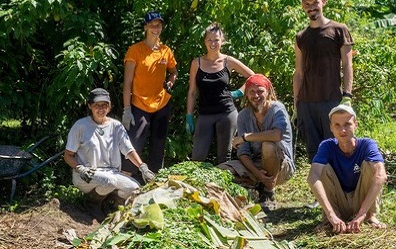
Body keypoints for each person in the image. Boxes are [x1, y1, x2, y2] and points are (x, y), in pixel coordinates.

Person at [293, 0, 354, 208]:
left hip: (332, 101)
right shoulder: (301, 37)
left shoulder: (339, 30)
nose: (311, 7)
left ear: (323, 2)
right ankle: (322, 197)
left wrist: (347, 95)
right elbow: (298, 72)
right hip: (308, 103)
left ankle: (345, 193)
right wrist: (296, 103)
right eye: (307, 4)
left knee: (340, 147)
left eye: (314, 2)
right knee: (316, 151)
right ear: (303, 7)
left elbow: (347, 65)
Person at [64, 88, 155, 222]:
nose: (101, 109)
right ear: (90, 106)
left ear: (110, 106)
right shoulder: (81, 126)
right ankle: (92, 203)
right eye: (97, 105)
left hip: (111, 172)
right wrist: (80, 168)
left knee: (134, 189)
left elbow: (128, 150)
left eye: (104, 105)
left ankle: (107, 202)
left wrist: (143, 167)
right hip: (86, 174)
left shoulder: (116, 126)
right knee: (109, 181)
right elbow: (68, 155)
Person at [218, 74, 295, 211]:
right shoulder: (243, 116)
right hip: (256, 164)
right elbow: (243, 152)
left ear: (268, 92)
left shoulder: (277, 109)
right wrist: (257, 173)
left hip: (281, 165)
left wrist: (246, 137)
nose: (256, 95)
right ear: (246, 94)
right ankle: (255, 185)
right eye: (252, 92)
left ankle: (268, 191)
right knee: (221, 171)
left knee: (268, 145)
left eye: (260, 91)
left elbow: (277, 135)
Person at [307, 104, 387, 233]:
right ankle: (331, 220)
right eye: (337, 125)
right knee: (322, 169)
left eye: (347, 124)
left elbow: (381, 175)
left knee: (372, 167)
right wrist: (330, 214)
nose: (342, 130)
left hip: (361, 202)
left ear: (356, 125)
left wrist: (361, 214)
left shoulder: (367, 144)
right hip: (339, 201)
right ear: (331, 128)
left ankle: (370, 217)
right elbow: (312, 177)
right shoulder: (326, 146)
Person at [186, 23, 254, 164]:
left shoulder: (228, 61)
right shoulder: (196, 63)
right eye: (209, 40)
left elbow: (254, 77)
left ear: (222, 41)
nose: (213, 43)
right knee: (197, 157)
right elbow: (192, 91)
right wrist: (189, 115)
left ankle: (221, 185)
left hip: (227, 113)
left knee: (224, 158)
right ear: (204, 41)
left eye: (216, 40)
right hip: (205, 114)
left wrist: (239, 92)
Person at [122, 11, 178, 178]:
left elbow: (174, 72)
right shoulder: (135, 50)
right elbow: (127, 83)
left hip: (161, 104)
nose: (155, 28)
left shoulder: (165, 51)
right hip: (139, 104)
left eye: (158, 25)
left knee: (158, 144)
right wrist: (126, 109)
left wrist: (170, 82)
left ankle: (153, 180)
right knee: (134, 143)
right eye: (152, 25)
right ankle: (125, 179)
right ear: (145, 27)